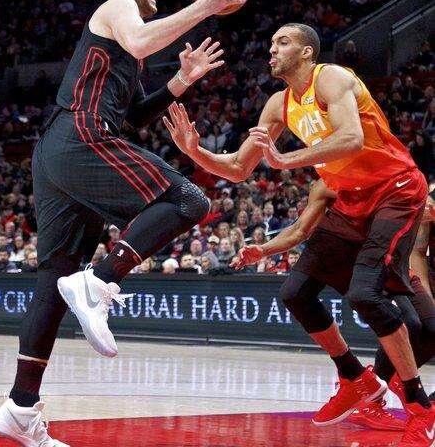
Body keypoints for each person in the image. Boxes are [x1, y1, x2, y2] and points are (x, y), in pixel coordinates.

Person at [0, 0, 250, 447]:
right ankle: (101, 282)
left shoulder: (128, 51)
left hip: (58, 151)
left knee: (54, 281)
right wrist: (205, 7)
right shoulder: (118, 7)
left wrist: (181, 81)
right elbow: (139, 40)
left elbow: (131, 120)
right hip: (81, 135)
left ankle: (19, 408)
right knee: (189, 200)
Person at [164, 22, 434, 444]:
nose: (272, 49)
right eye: (271, 42)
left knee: (366, 294)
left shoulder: (332, 78)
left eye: (283, 42)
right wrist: (194, 151)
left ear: (307, 52)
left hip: (395, 189)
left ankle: (420, 407)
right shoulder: (278, 104)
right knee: (295, 292)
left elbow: (350, 138)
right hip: (351, 199)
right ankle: (356, 378)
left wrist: (284, 160)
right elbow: (238, 168)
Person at [232, 178, 435, 431]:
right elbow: (299, 230)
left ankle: (390, 380)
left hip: (392, 262)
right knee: (408, 323)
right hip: (364, 262)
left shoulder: (394, 179)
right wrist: (264, 250)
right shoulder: (327, 184)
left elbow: (417, 234)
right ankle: (373, 394)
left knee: (430, 328)